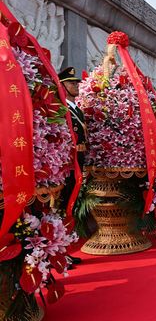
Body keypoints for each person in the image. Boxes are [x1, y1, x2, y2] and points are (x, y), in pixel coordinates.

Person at [59, 67, 86, 268]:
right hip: (67, 166)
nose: (76, 85)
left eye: (76, 83)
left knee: (71, 207)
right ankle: (61, 254)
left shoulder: (76, 110)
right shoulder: (62, 109)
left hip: (79, 163)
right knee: (62, 207)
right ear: (62, 86)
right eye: (71, 83)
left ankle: (65, 251)